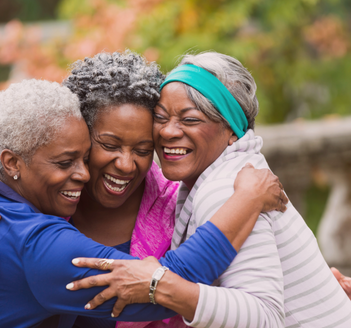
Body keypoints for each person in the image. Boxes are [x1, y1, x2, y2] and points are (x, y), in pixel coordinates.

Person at [0, 51, 286, 328]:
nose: (80, 173)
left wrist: (295, 270)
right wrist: (248, 199)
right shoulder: (38, 243)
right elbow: (172, 281)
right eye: (107, 145)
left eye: (143, 149)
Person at [67, 52, 351, 327]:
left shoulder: (226, 190)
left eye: (189, 119)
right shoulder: (233, 181)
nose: (167, 132)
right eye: (161, 117)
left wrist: (156, 283)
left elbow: (265, 316)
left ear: (231, 131)